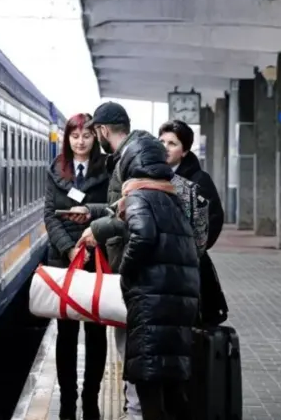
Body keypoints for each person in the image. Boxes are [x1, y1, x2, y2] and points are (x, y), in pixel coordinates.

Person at [71, 101, 154, 420]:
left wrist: (99, 231)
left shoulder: (133, 160)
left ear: (103, 131)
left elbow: (139, 219)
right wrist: (93, 214)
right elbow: (125, 208)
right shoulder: (131, 156)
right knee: (131, 351)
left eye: (94, 133)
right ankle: (134, 409)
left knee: (133, 353)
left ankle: (135, 412)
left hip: (135, 273)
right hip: (132, 270)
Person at [114, 135, 200, 420]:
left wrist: (125, 271)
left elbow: (143, 235)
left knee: (148, 381)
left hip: (151, 302)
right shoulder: (169, 196)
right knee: (173, 386)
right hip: (177, 300)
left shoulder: (139, 196)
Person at [43, 113, 109, 420]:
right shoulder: (56, 169)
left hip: (97, 257)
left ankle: (91, 398)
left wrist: (92, 235)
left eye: (86, 136)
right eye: (74, 136)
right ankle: (67, 401)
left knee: (96, 333)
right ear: (67, 138)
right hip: (63, 260)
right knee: (66, 335)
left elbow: (112, 209)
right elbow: (49, 216)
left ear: (95, 137)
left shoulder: (107, 169)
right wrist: (69, 249)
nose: (80, 141)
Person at [159, 120, 228, 325]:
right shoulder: (153, 176)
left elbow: (213, 220)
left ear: (185, 150)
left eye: (172, 143)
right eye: (161, 141)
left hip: (189, 267)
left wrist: (193, 250)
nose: (165, 147)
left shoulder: (199, 181)